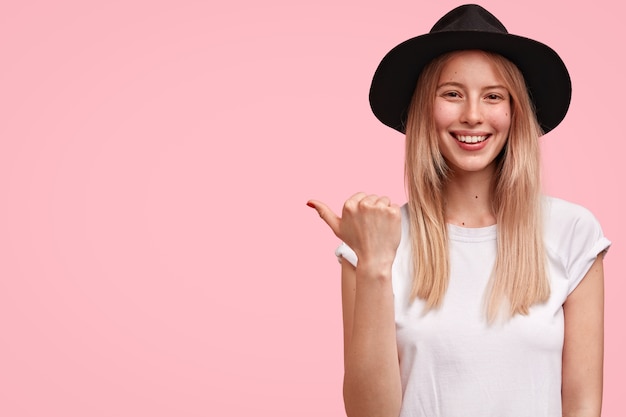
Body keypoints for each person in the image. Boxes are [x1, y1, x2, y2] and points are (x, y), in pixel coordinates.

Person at [307, 4, 610, 417]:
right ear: (423, 109)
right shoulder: (373, 244)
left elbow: (583, 406)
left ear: (514, 111)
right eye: (452, 93)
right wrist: (375, 264)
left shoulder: (573, 233)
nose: (472, 115)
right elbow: (368, 413)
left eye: (493, 96)